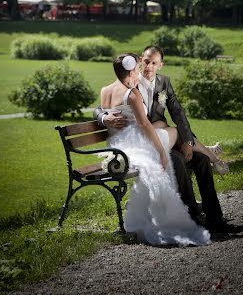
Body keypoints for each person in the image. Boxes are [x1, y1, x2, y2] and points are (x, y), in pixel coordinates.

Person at [94, 45, 231, 233]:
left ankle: (215, 217)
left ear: (160, 65)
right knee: (178, 160)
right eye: (146, 62)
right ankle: (192, 215)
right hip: (147, 141)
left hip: (152, 138)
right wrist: (102, 117)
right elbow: (107, 111)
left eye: (154, 63)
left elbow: (178, 113)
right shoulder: (129, 86)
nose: (148, 67)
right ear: (139, 62)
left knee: (201, 160)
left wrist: (188, 142)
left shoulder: (163, 83)